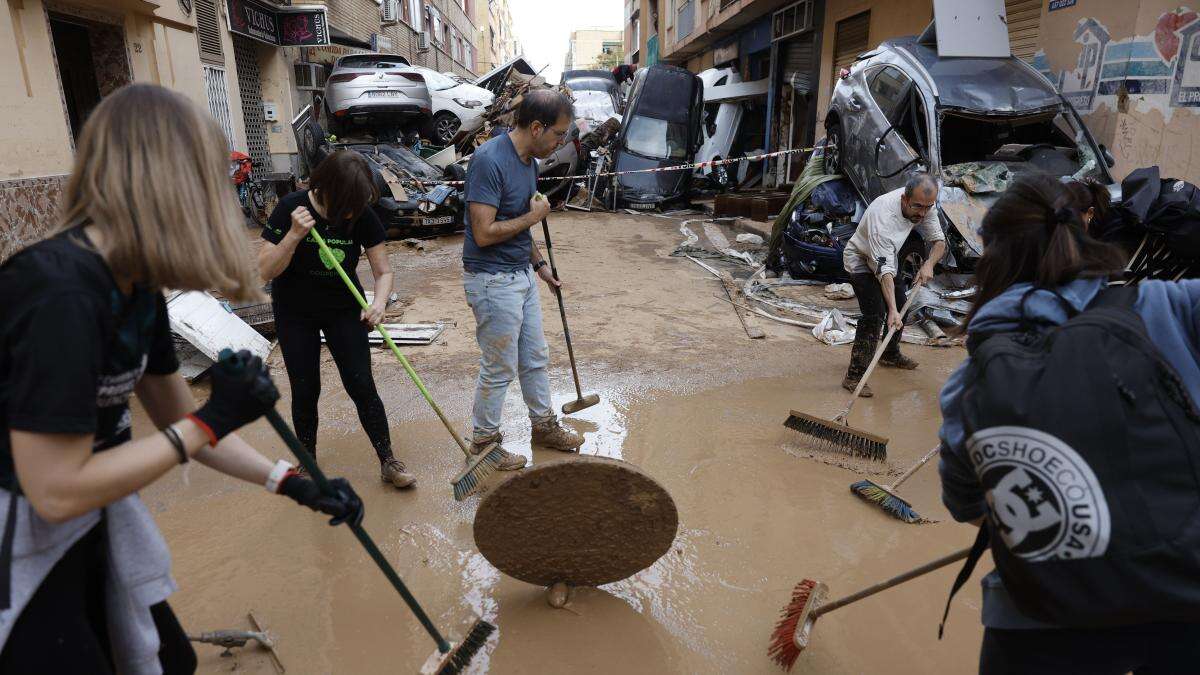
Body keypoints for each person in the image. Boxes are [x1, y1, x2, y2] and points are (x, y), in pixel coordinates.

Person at [0, 84, 362, 673]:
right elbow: (57, 487)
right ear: (170, 182)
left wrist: (291, 479)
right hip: (23, 539)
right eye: (212, 179)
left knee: (170, 662)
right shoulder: (60, 293)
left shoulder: (135, 285)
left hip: (91, 519)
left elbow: (173, 417)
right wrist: (209, 419)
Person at [938, 174, 1200, 673]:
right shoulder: (1172, 308)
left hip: (1042, 621)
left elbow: (971, 508)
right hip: (1185, 604)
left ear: (993, 260)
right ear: (1084, 234)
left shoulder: (970, 381)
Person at [259, 151, 416, 489]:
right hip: (294, 312)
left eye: (356, 207)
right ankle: (307, 461)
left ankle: (388, 460)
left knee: (362, 385)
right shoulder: (291, 208)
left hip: (344, 310)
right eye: (345, 205)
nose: (349, 214)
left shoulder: (360, 212)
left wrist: (378, 303)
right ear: (326, 188)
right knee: (305, 389)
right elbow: (264, 270)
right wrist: (293, 236)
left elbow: (383, 270)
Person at [461, 89, 586, 469]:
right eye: (558, 134)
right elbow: (483, 233)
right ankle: (484, 443)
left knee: (534, 357)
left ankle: (543, 425)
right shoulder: (488, 161)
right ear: (536, 127)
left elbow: (519, 223)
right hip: (491, 280)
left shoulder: (529, 160)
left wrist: (540, 265)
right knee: (499, 366)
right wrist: (533, 218)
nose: (561, 142)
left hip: (521, 274)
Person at [841, 173, 947, 397]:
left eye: (927, 207)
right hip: (860, 259)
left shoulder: (925, 205)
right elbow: (884, 271)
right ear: (904, 200)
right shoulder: (884, 216)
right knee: (876, 314)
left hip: (887, 256)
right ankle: (855, 375)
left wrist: (928, 264)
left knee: (903, 303)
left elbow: (939, 242)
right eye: (917, 207)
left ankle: (889, 353)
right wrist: (891, 311)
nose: (922, 213)